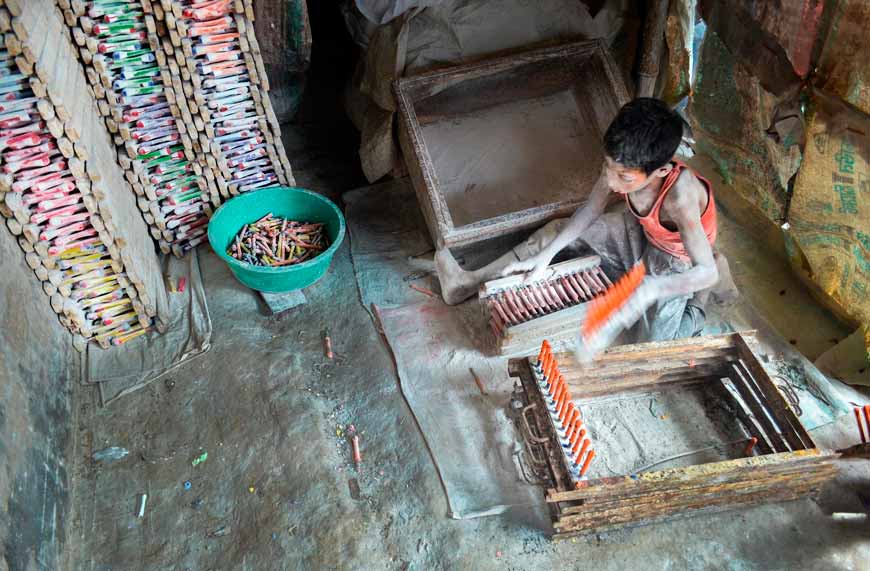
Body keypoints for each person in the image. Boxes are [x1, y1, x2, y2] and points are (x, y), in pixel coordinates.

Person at [436, 97, 736, 343]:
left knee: (654, 342)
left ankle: (699, 303)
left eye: (624, 177)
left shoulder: (680, 199)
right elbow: (591, 210)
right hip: (640, 231)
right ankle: (468, 281)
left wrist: (656, 288)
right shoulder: (621, 164)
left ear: (659, 170)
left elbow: (705, 272)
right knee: (556, 233)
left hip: (675, 256)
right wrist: (544, 257)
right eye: (608, 167)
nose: (611, 180)